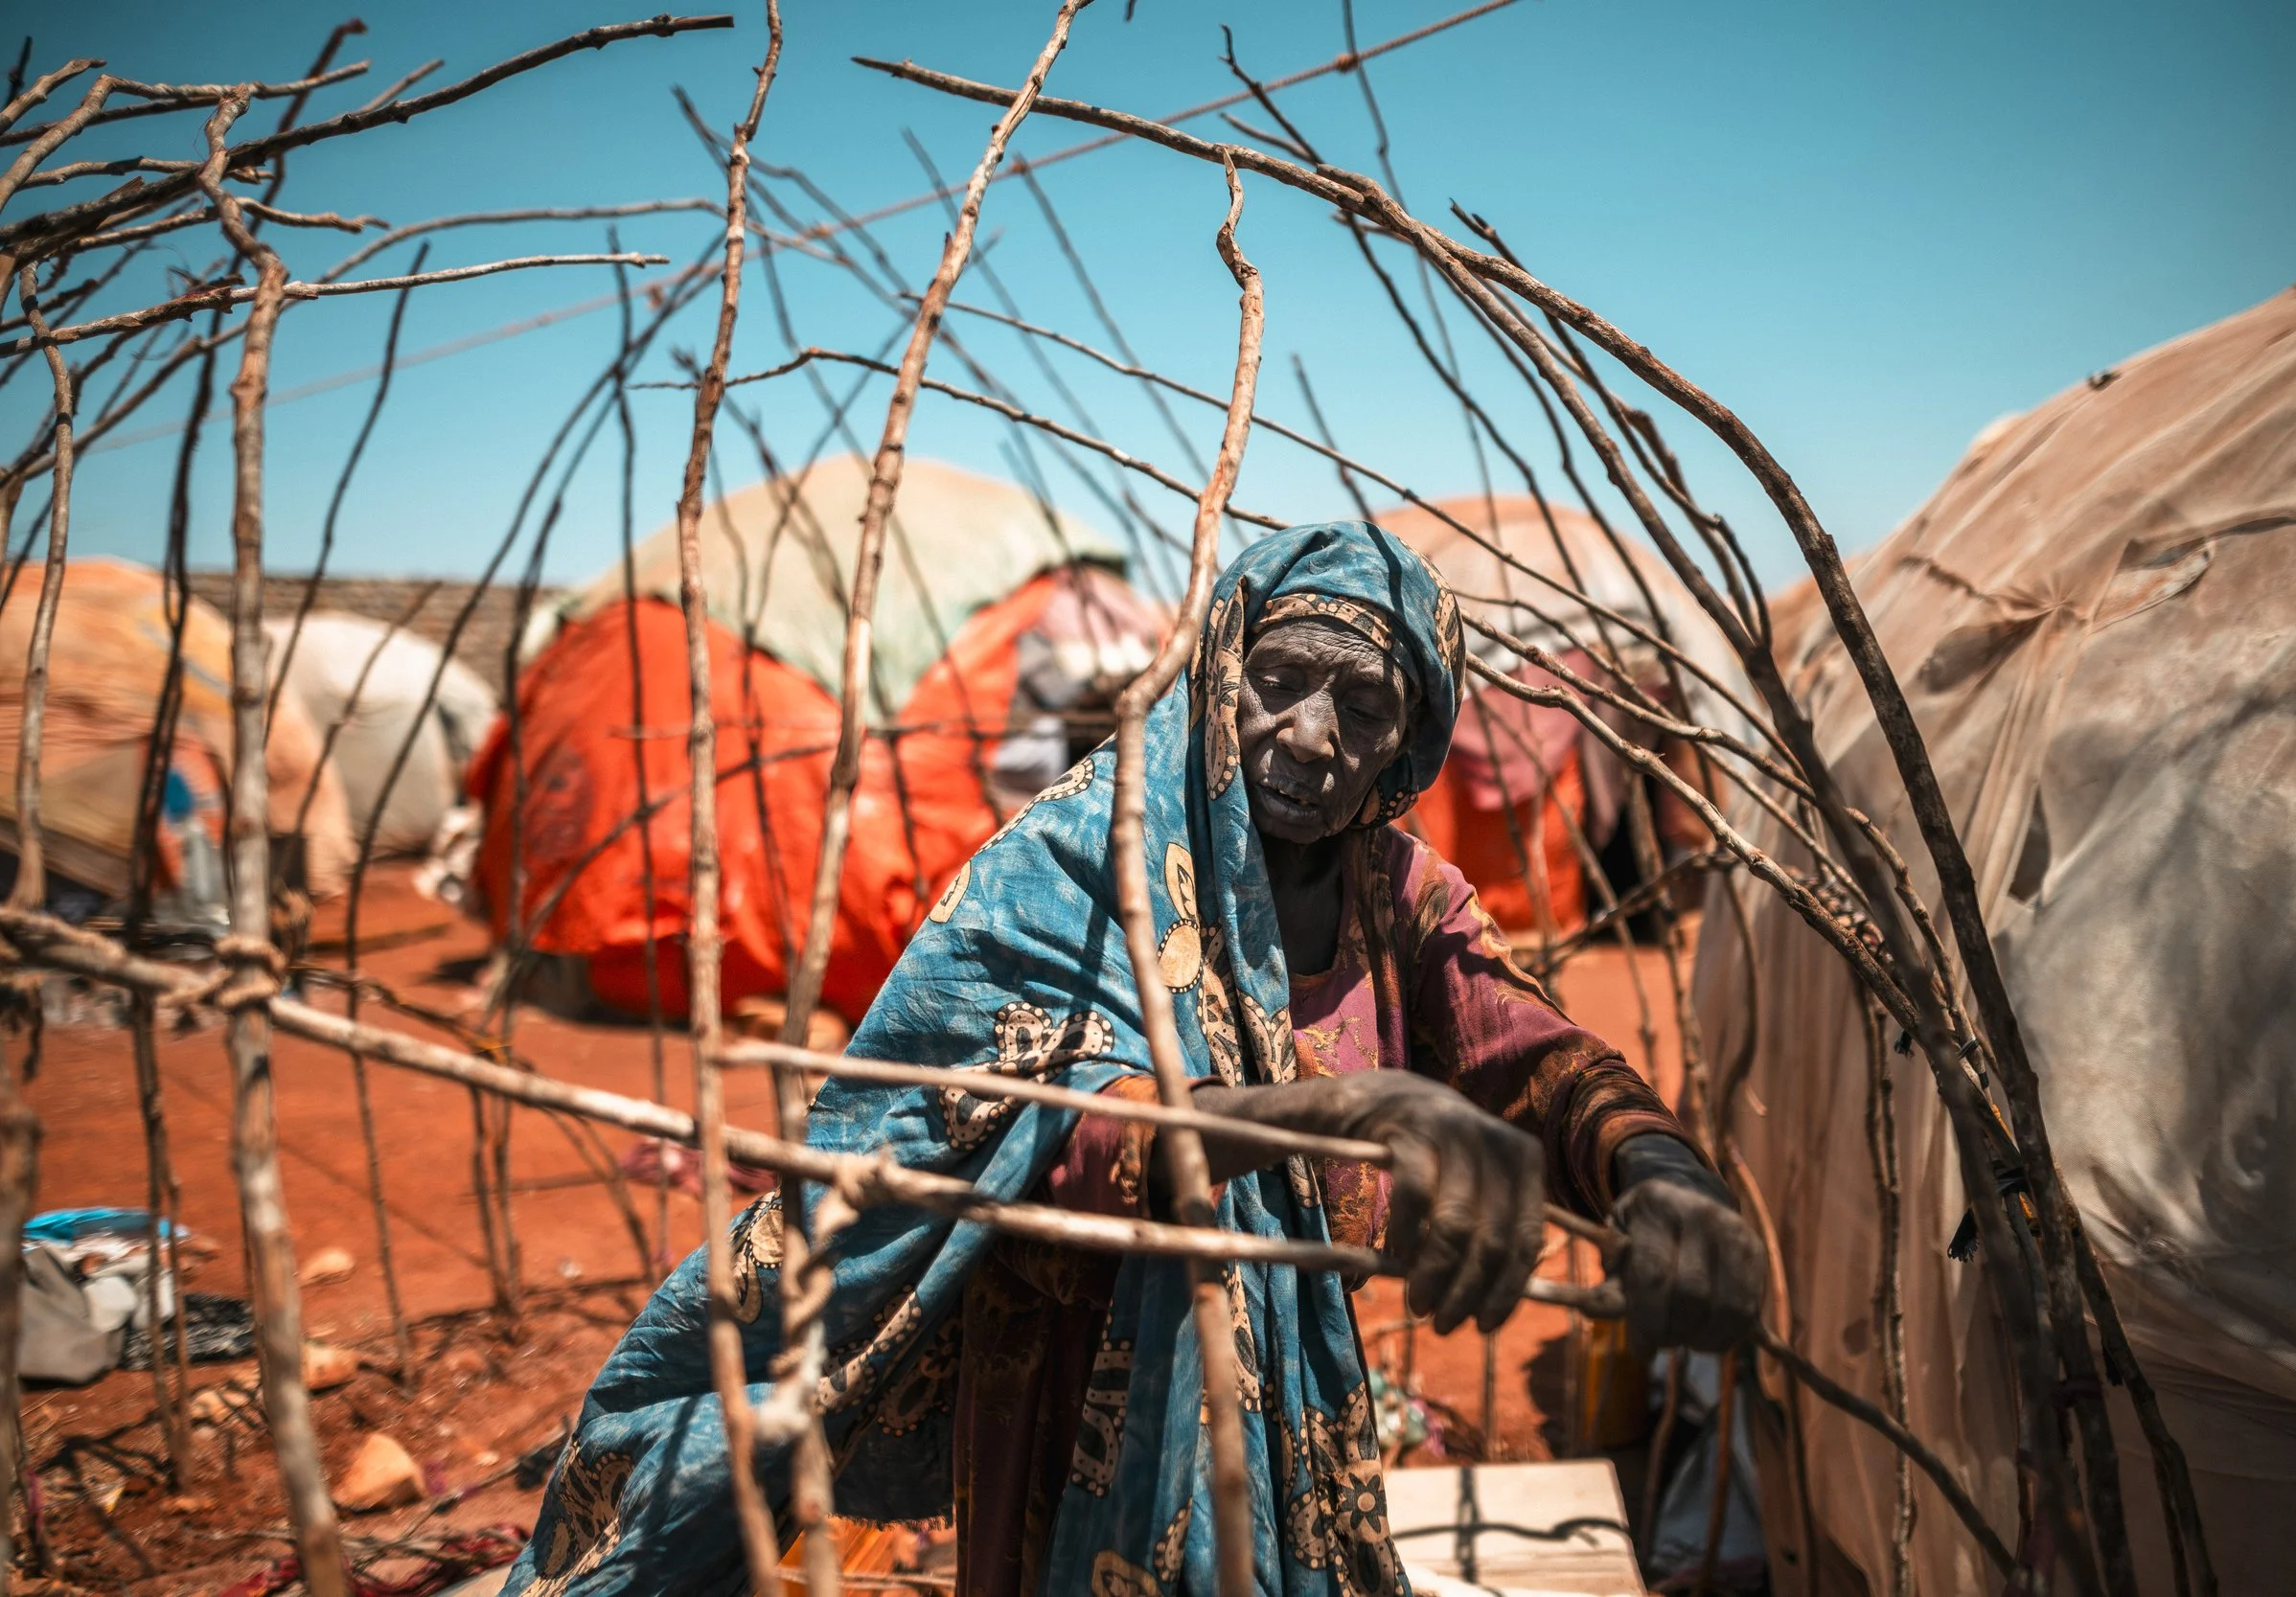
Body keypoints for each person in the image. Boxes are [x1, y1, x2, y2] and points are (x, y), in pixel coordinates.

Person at [502, 523, 1764, 1597]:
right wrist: (1343, 1111)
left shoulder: (1397, 893)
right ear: (1219, 672)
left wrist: (1658, 1170)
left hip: (1289, 1398)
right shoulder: (1080, 857)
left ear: (1411, 736)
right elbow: (1070, 1130)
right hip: (1071, 1390)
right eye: (1280, 681)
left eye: (1364, 705)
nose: (1313, 735)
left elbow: (1531, 1052)